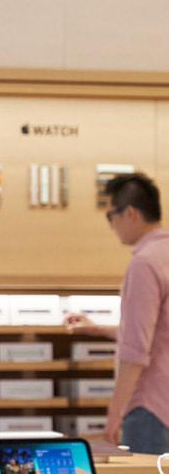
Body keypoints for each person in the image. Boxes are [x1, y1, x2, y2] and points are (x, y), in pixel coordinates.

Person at [63, 173, 169, 454]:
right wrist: (99, 329)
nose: (112, 225)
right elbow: (158, 330)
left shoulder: (145, 264)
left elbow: (135, 351)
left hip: (152, 408)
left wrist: (114, 416)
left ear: (130, 213)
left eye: (111, 216)